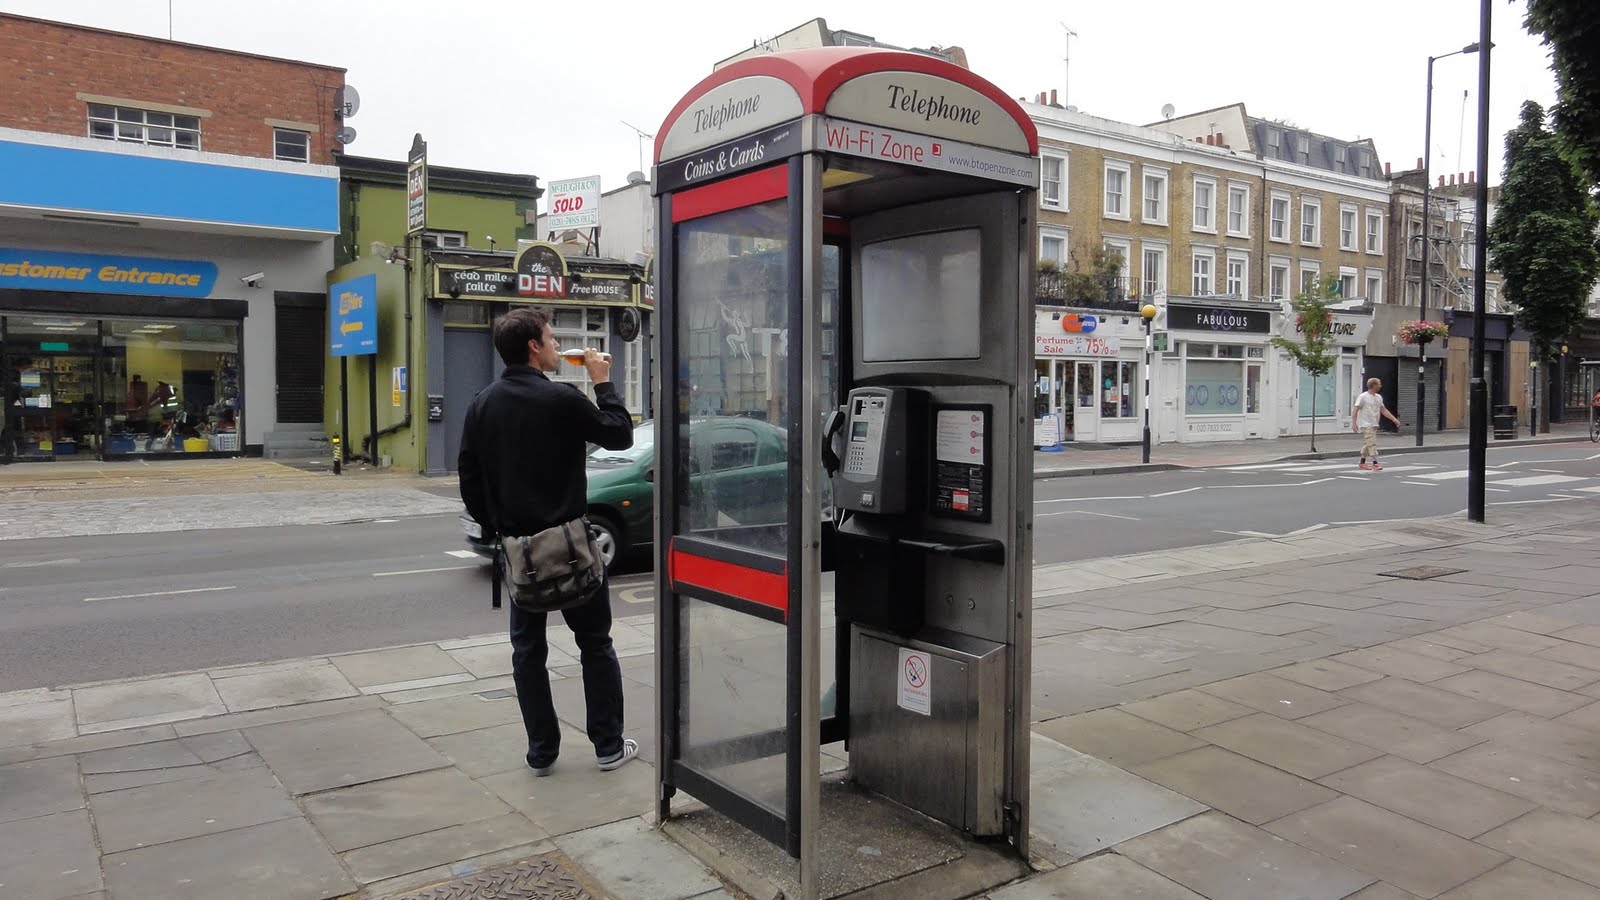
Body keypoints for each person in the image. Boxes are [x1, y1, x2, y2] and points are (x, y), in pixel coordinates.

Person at [458, 308, 637, 776]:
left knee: (528, 652)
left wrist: (501, 529)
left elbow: (469, 480)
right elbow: (620, 434)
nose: (558, 347)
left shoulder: (482, 405)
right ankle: (608, 747)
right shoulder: (561, 398)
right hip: (571, 546)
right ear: (534, 348)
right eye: (552, 339)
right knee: (594, 643)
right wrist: (602, 382)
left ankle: (542, 752)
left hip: (521, 552)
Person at [1351, 377, 1404, 470]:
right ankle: (1375, 462)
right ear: (1374, 385)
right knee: (1372, 443)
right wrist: (1354, 423)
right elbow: (1355, 409)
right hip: (1366, 423)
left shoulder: (1378, 397)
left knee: (1368, 443)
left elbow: (1383, 410)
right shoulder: (1363, 396)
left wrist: (1394, 419)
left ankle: (1362, 462)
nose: (1380, 386)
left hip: (1374, 423)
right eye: (1379, 384)